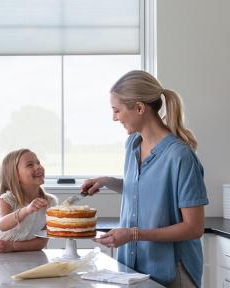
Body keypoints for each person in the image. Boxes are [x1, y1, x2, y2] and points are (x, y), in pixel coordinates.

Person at [81, 70, 208, 288]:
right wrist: (106, 181)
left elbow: (193, 227)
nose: (114, 118)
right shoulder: (133, 145)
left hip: (171, 271)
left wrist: (133, 234)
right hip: (133, 266)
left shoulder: (180, 157)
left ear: (139, 108)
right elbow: (143, 190)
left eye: (117, 110)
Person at [0, 148, 57, 252]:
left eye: (38, 163)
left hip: (21, 254)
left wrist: (12, 247)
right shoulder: (7, 200)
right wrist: (27, 210)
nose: (38, 167)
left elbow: (41, 242)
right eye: (30, 165)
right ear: (15, 175)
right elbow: (2, 225)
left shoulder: (50, 203)